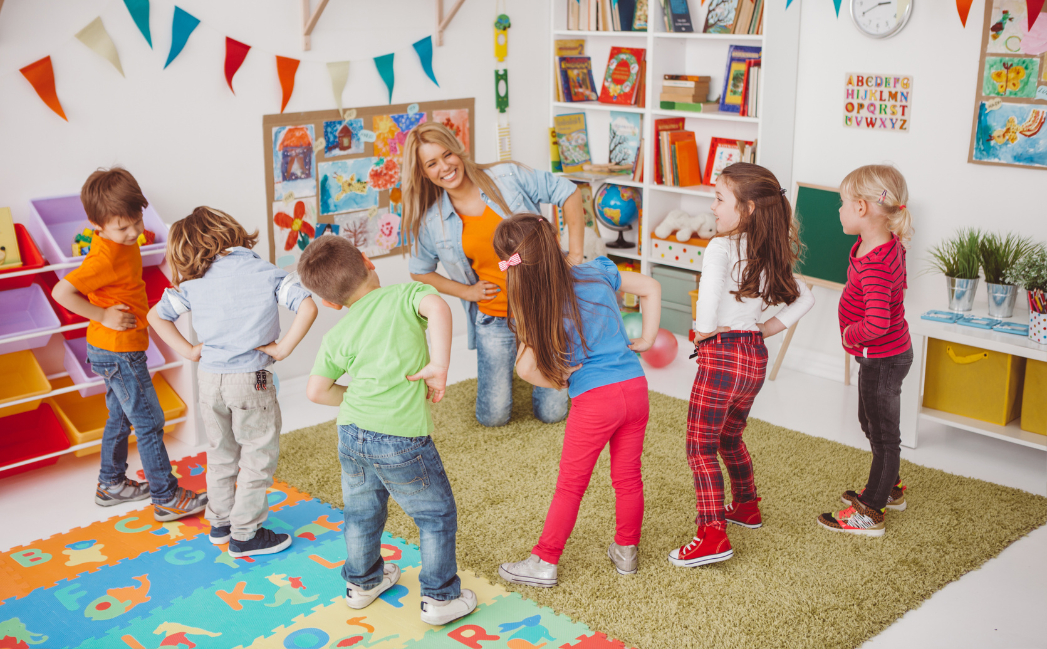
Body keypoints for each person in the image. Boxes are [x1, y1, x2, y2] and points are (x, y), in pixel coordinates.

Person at [297, 235, 476, 626]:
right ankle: (441, 597)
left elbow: (316, 391)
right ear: (368, 260)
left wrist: (360, 397)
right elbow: (440, 308)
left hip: (351, 434)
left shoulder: (337, 335)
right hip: (401, 437)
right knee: (435, 516)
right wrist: (440, 365)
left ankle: (362, 584)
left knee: (361, 513)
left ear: (329, 303)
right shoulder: (404, 295)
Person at [493, 214, 662, 587]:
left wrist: (560, 380)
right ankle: (626, 552)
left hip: (595, 399)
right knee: (628, 477)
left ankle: (544, 561)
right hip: (635, 387)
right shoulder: (598, 271)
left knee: (571, 485)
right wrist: (647, 339)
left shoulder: (534, 302)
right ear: (554, 241)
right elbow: (650, 286)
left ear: (513, 262)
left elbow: (524, 367)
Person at [147, 207, 318, 557]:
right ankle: (245, 534)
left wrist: (189, 351)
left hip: (209, 378)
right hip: (251, 378)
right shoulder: (265, 272)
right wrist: (282, 349)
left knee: (221, 453)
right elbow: (308, 306)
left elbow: (155, 315)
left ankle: (221, 523)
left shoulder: (194, 282)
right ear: (231, 231)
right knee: (257, 456)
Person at [669, 163, 815, 568]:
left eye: (719, 199)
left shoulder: (720, 247)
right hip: (753, 356)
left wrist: (701, 332)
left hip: (722, 358)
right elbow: (807, 297)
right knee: (729, 438)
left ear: (747, 208)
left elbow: (709, 302)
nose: (712, 207)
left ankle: (712, 533)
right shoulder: (770, 249)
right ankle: (747, 506)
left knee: (700, 447)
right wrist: (766, 328)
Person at [402, 122, 588, 427]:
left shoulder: (507, 177)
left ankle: (548, 364)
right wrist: (468, 292)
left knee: (553, 414)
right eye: (432, 163)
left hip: (544, 307)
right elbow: (420, 271)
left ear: (458, 151)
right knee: (493, 417)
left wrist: (575, 256)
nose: (445, 167)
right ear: (424, 173)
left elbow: (568, 193)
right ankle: (526, 366)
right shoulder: (433, 220)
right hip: (494, 316)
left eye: (447, 155)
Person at [51, 168, 207, 521]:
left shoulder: (123, 241)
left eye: (136, 220)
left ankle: (111, 484)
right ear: (96, 225)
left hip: (117, 349)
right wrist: (101, 315)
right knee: (150, 421)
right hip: (118, 350)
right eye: (123, 227)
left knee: (120, 419)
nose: (134, 232)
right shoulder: (103, 256)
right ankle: (166, 496)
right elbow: (62, 292)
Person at [817, 165, 914, 537]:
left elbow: (877, 324)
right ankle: (890, 487)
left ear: (861, 208)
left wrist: (849, 336)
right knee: (870, 422)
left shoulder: (875, 263)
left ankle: (870, 511)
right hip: (883, 357)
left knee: (884, 434)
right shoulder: (883, 244)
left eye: (842, 204)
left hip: (884, 358)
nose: (838, 211)